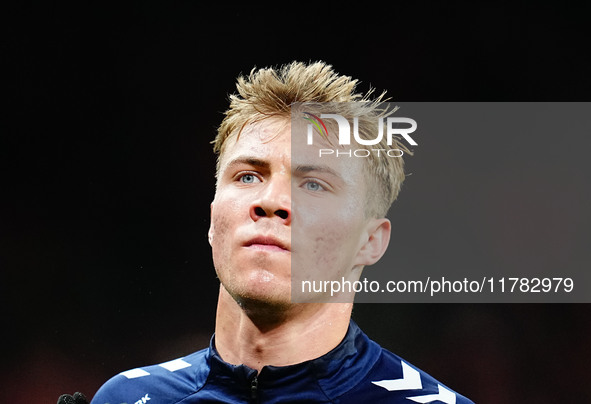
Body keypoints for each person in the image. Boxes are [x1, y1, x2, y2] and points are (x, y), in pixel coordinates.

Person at [73, 61, 473, 403]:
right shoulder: (126, 397)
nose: (271, 200)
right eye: (248, 176)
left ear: (370, 242)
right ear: (212, 219)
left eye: (314, 184)